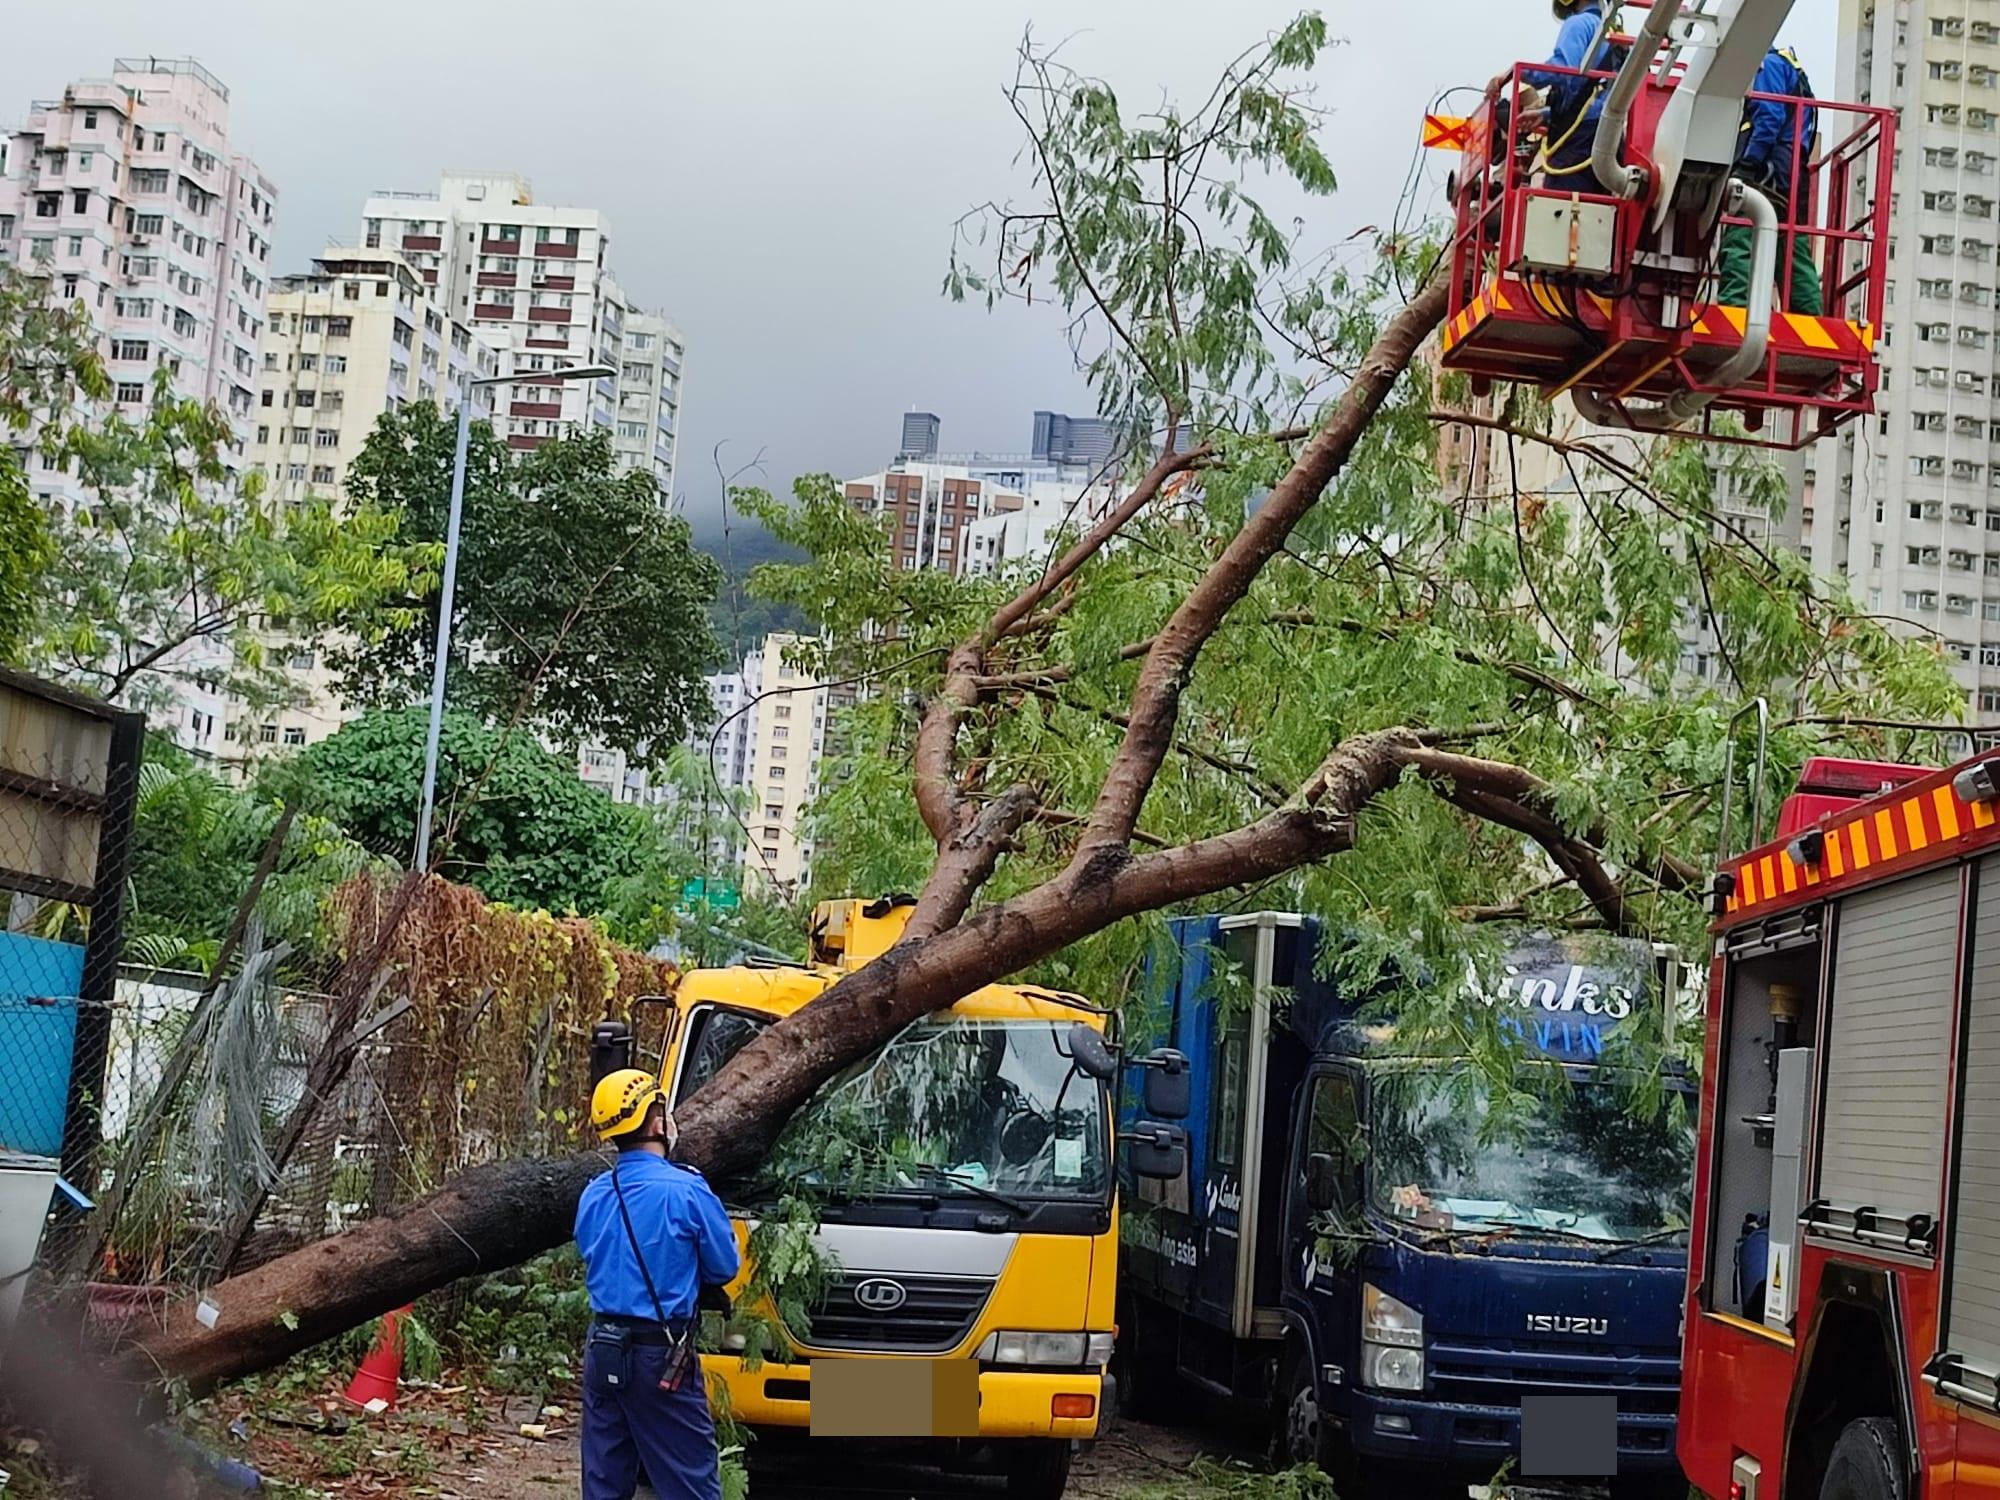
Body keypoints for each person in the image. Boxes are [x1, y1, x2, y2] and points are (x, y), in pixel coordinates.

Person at [575, 1069, 740, 1500]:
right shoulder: (685, 1191)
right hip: (660, 1358)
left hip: (603, 1350)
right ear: (655, 1122)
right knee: (690, 1481)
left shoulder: (594, 1193)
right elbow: (724, 1267)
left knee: (604, 1481)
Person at [1720, 46, 1823, 314]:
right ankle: (1809, 316)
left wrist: (1747, 165)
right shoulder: (1782, 65)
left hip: (1769, 170)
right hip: (1786, 170)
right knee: (1789, 245)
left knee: (1742, 234)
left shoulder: (1766, 66)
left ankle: (1735, 309)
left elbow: (1769, 118)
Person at [1515, 1, 1625, 187]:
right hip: (1609, 135)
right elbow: (1597, 96)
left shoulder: (1580, 23)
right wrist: (1546, 116)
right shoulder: (1617, 35)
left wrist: (1521, 73)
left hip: (1578, 140)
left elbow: (1565, 68)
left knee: (1568, 204)